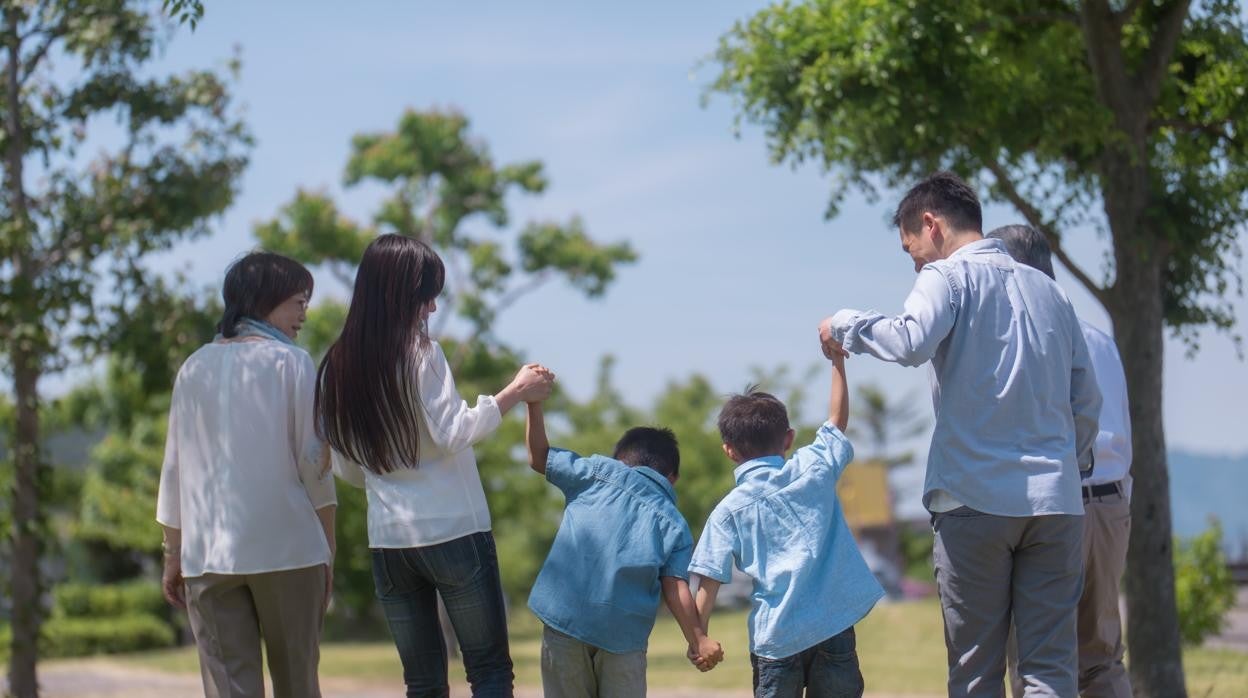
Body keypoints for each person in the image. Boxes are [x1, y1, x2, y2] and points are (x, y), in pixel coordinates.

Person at [819, 172, 1102, 698]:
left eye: (912, 251)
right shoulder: (1050, 293)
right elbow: (1087, 403)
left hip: (974, 500)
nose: (917, 263)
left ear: (931, 224)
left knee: (976, 673)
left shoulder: (946, 278)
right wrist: (1066, 463)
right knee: (1049, 671)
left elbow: (910, 341)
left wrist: (843, 325)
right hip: (1056, 505)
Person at [317, 233, 552, 697]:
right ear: (402, 294)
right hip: (455, 532)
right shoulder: (422, 352)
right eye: (427, 296)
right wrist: (514, 392)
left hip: (388, 540)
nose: (432, 308)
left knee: (422, 682)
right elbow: (453, 433)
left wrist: (391, 479)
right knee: (487, 670)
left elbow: (342, 467)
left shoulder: (335, 366)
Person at [157, 251, 337, 698]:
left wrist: (172, 552)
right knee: (298, 685)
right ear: (266, 300)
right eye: (299, 301)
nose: (304, 315)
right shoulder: (292, 363)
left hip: (208, 558)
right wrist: (328, 550)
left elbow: (175, 469)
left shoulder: (193, 367)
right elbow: (315, 467)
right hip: (289, 552)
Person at [987, 224, 1133, 698]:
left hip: (1053, 503)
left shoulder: (1026, 339)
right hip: (1110, 504)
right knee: (1103, 656)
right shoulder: (1098, 338)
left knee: (1039, 658)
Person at [689, 340, 883, 698]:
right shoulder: (814, 468)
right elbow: (836, 422)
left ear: (729, 451)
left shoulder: (728, 511)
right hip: (834, 626)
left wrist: (698, 637)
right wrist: (837, 361)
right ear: (789, 439)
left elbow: (709, 580)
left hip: (777, 638)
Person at [523, 383, 724, 698]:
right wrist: (698, 639)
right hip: (623, 638)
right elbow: (676, 587)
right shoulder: (674, 524)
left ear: (619, 459)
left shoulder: (594, 473)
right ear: (673, 478)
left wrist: (533, 404)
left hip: (565, 618)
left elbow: (539, 457)